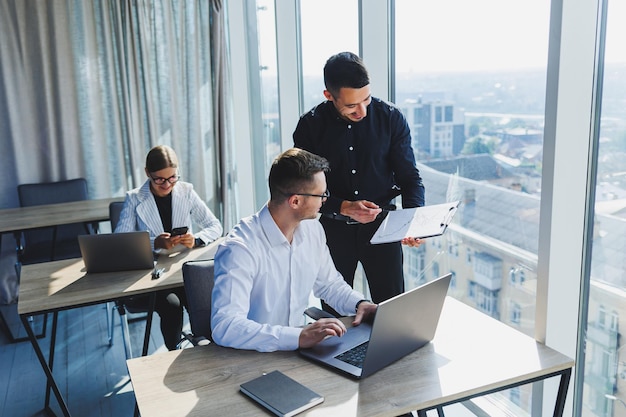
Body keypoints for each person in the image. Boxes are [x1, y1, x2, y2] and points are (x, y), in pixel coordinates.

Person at [293, 51, 425, 311]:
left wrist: (414, 222)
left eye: (366, 99)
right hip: (333, 231)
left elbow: (410, 178)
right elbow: (302, 191)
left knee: (392, 310)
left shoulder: (391, 118)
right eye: (352, 105)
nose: (362, 111)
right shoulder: (309, 127)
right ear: (329, 96)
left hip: (384, 228)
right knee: (333, 314)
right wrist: (343, 206)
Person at [211, 148, 377, 352]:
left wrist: (359, 303)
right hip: (252, 356)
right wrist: (297, 336)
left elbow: (329, 285)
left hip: (300, 352)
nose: (325, 200)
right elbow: (226, 326)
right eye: (321, 195)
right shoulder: (240, 248)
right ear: (295, 201)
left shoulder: (313, 229)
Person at [115, 145, 223, 350]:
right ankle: (173, 355)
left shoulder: (187, 191)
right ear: (148, 173)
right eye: (160, 179)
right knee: (172, 307)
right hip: (152, 274)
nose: (167, 184)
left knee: (201, 301)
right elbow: (121, 242)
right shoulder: (134, 198)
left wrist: (196, 240)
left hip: (182, 270)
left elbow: (215, 226)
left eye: (173, 177)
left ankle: (208, 351)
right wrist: (154, 242)